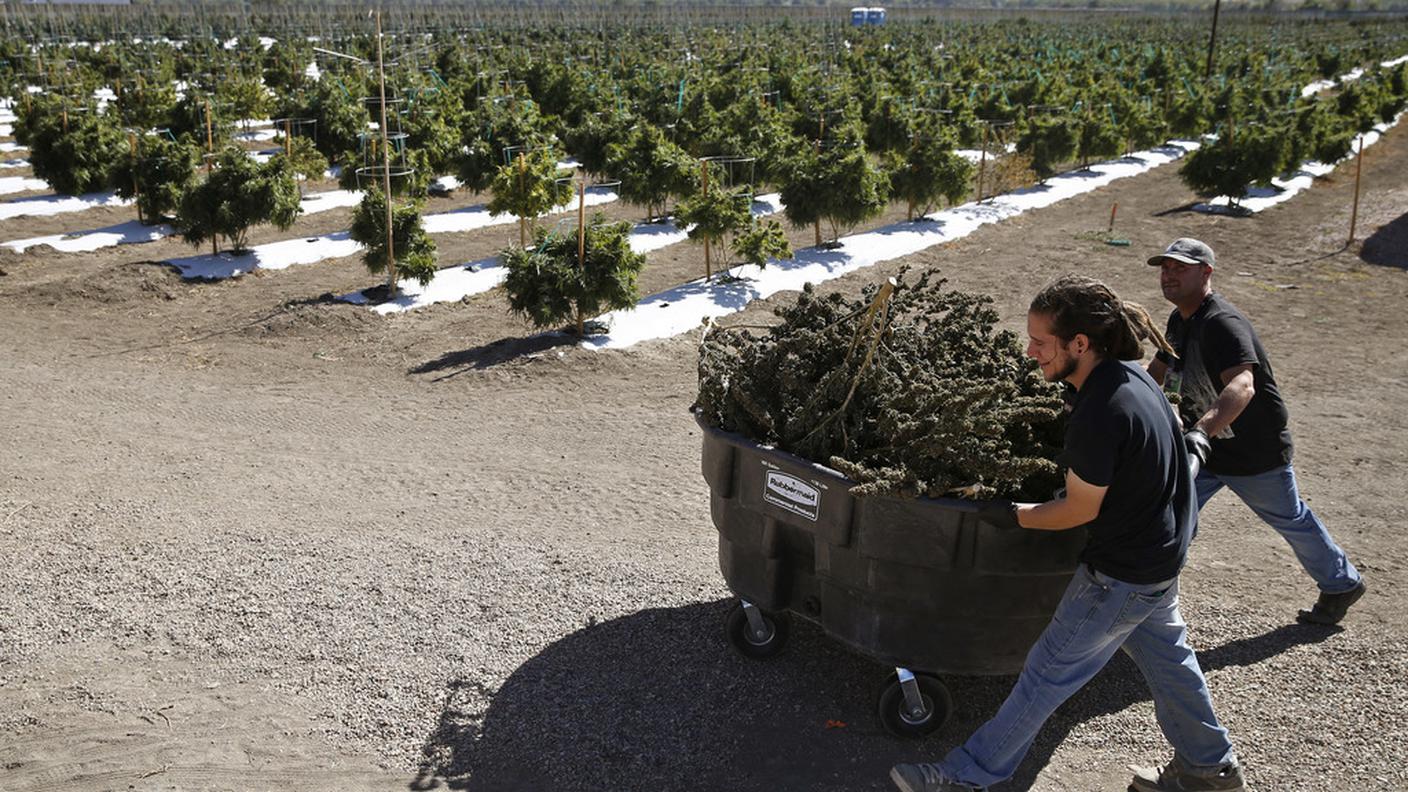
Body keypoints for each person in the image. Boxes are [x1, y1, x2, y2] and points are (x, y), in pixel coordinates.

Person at [891, 275, 1245, 792]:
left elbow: (1077, 509)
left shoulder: (1102, 411)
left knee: (1043, 675)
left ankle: (964, 777)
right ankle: (1210, 767)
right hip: (1159, 560)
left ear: (1080, 343)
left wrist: (1009, 514)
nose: (1030, 351)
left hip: (1120, 576)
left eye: (1041, 342)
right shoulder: (1132, 379)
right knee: (1170, 662)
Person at [1145, 238, 1365, 626]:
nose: (1169, 275)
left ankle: (1341, 583)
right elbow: (1161, 368)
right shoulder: (1179, 321)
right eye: (1166, 267)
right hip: (1207, 447)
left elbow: (1243, 385)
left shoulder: (1222, 324)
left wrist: (1201, 431)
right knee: (1173, 514)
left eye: (1180, 268)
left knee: (1290, 518)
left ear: (1206, 273)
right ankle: (1151, 596)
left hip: (1252, 450)